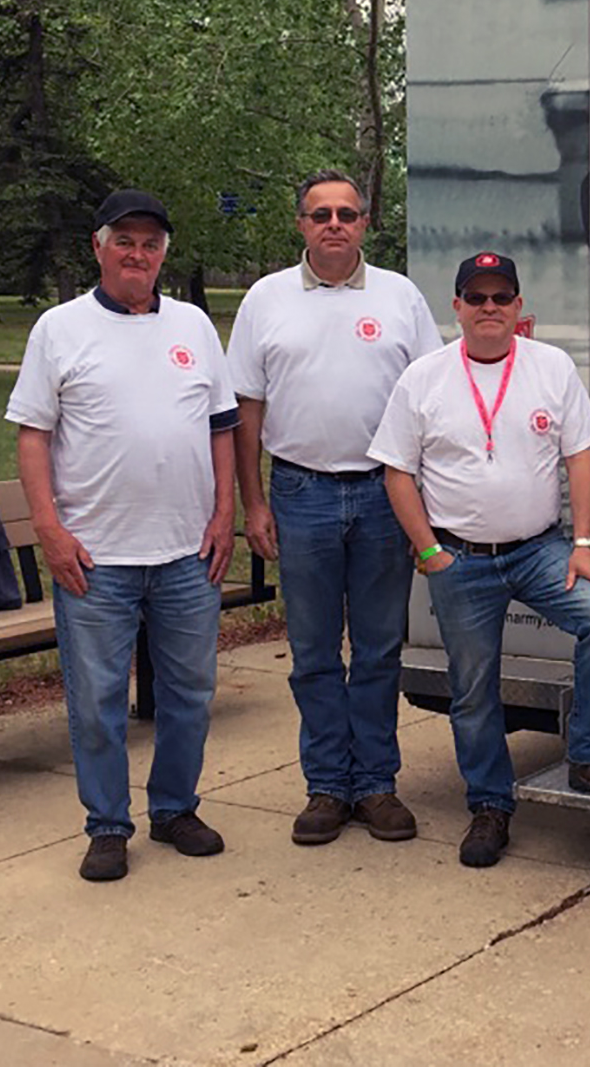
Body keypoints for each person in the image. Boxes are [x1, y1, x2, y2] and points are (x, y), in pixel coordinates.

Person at [371, 251, 590, 868]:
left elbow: (579, 458)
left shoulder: (550, 366)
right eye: (477, 298)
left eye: (501, 298)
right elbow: (396, 472)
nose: (489, 309)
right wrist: (430, 551)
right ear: (458, 307)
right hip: (461, 562)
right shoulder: (424, 377)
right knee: (472, 690)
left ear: (518, 308)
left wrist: (582, 543)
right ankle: (490, 806)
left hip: (539, 550)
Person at [5, 190, 237, 883]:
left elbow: (223, 429)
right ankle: (107, 824)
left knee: (191, 693)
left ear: (165, 253)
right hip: (95, 556)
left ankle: (174, 808)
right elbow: (32, 435)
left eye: (152, 243)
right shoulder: (60, 328)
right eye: (125, 241)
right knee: (98, 703)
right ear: (98, 248)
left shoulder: (194, 326)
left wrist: (224, 514)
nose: (139, 254)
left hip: (186, 552)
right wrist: (48, 527)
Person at [227, 170, 441, 846]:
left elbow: (427, 404)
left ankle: (376, 785)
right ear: (301, 224)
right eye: (321, 214)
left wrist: (422, 512)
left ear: (365, 223)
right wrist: (253, 502)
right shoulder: (265, 300)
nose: (334, 225)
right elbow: (247, 410)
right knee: (315, 652)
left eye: (347, 213)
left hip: (383, 494)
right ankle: (326, 786)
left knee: (378, 649)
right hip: (300, 492)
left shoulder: (401, 297)